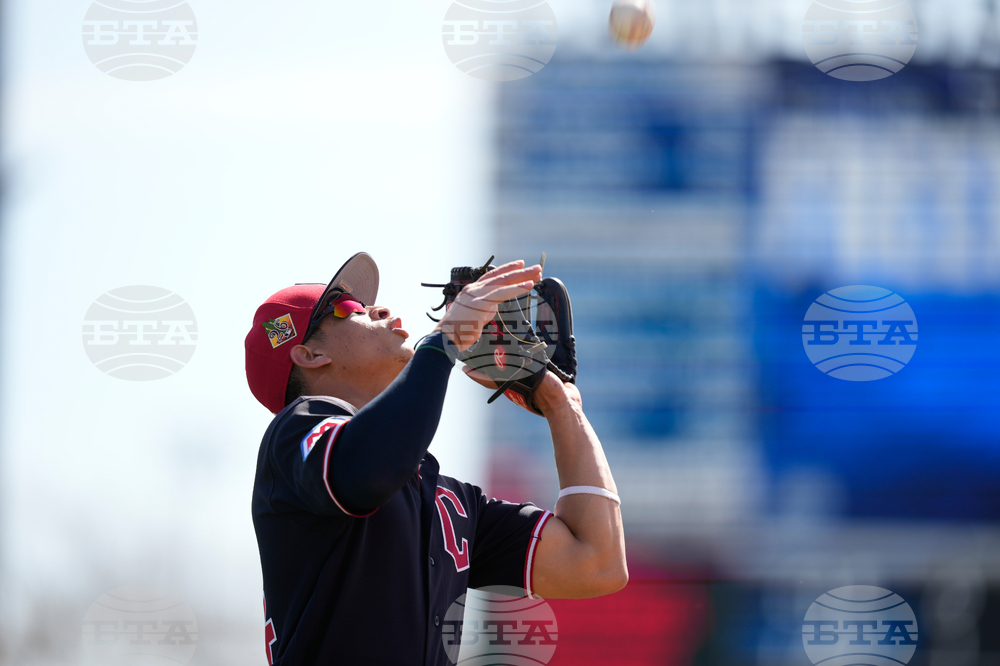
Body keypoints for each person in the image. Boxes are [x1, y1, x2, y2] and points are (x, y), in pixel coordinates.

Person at [244, 252, 627, 665]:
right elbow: (367, 470)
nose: (381, 308)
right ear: (310, 355)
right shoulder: (296, 434)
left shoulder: (446, 499)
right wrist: (445, 339)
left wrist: (560, 404)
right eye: (347, 307)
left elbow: (596, 562)